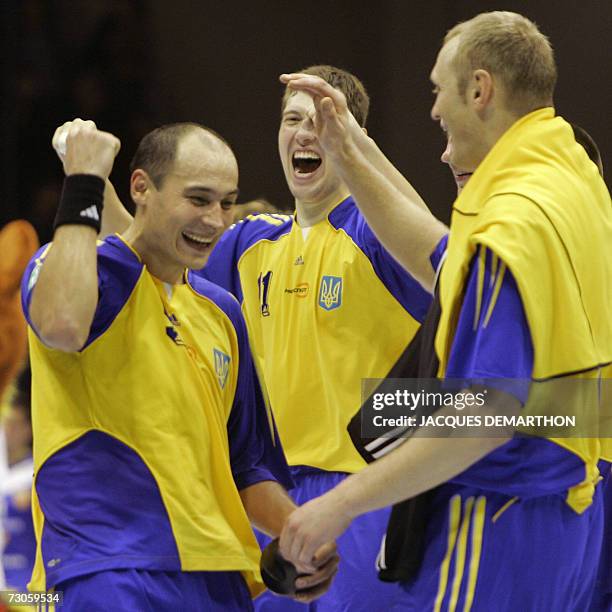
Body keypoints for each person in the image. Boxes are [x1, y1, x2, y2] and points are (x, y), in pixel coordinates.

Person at [278, 11, 612, 611]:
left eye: (438, 88)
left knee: (397, 409)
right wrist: (350, 148)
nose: (433, 108)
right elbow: (441, 258)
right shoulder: (571, 176)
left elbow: (488, 413)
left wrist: (341, 504)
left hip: (495, 517)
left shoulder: (512, 220)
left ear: (479, 88)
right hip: (571, 511)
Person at [96, 66, 434, 611]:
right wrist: (89, 180)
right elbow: (141, 254)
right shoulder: (252, 241)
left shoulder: (377, 231)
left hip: (363, 498)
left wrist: (355, 146)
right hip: (268, 503)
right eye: (291, 119)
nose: (303, 132)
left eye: (321, 121)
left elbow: (439, 254)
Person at [22, 120, 338, 611]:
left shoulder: (222, 312)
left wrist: (301, 536)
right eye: (198, 199)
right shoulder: (87, 275)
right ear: (142, 188)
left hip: (220, 578)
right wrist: (84, 179)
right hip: (111, 569)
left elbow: (247, 466)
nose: (215, 219)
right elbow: (61, 323)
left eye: (226, 202)